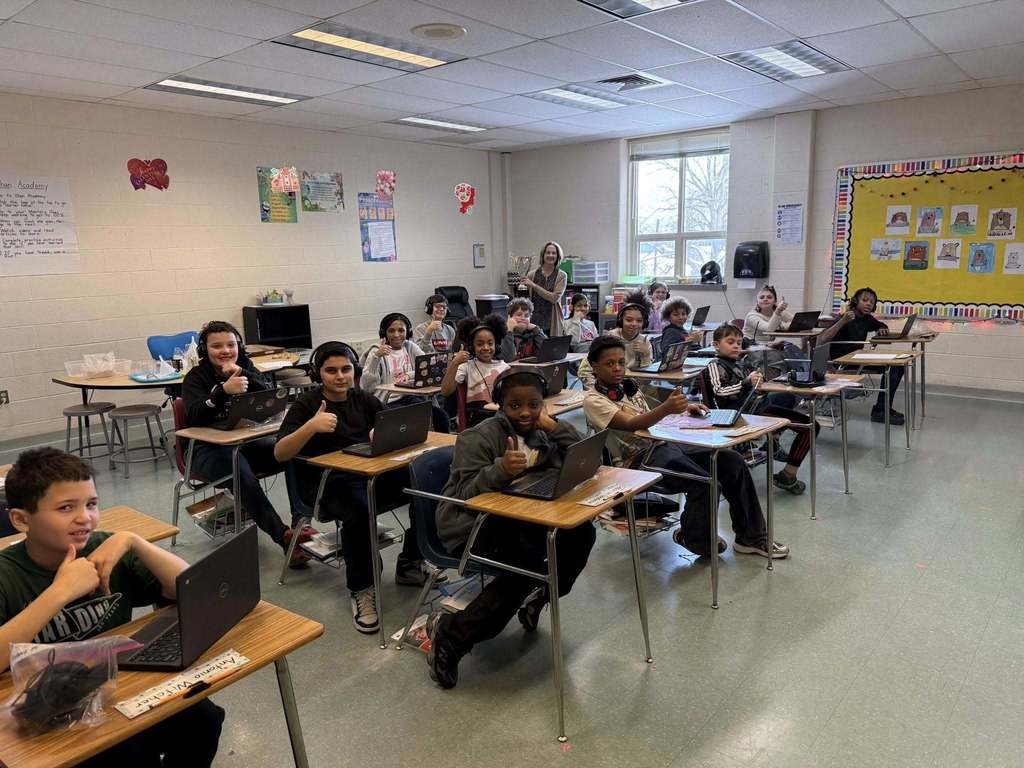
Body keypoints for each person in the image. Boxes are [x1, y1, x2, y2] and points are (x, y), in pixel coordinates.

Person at [0, 448, 224, 766]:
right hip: (44, 710)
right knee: (130, 756)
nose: (85, 517)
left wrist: (134, 541)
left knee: (203, 720)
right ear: (22, 519)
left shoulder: (105, 549)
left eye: (91, 504)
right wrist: (59, 592)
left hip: (116, 689)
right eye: (66, 508)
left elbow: (193, 590)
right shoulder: (7, 574)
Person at [426, 369, 595, 689]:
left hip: (521, 516)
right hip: (470, 524)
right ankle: (452, 636)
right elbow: (463, 497)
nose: (526, 412)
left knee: (581, 534)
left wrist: (556, 427)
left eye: (534, 404)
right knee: (526, 568)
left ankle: (539, 598)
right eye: (515, 406)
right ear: (500, 405)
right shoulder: (478, 437)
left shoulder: (540, 430)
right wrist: (499, 470)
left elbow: (583, 456)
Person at [275, 342, 447, 634]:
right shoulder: (307, 405)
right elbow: (280, 453)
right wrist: (311, 427)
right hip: (329, 483)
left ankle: (410, 563)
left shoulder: (363, 398)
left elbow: (387, 425)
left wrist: (380, 432)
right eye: (331, 371)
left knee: (425, 488)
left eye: (345, 369)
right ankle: (361, 588)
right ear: (319, 373)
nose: (340, 376)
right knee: (359, 510)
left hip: (370, 474)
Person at [582, 336, 788, 559]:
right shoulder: (593, 400)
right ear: (595, 367)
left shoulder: (627, 387)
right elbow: (632, 424)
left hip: (661, 445)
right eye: (609, 363)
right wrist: (667, 409)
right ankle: (693, 537)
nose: (617, 368)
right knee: (705, 483)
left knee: (731, 461)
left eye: (621, 362)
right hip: (638, 462)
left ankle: (751, 538)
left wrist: (683, 408)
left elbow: (649, 411)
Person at [182, 320, 311, 568]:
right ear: (204, 350)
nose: (225, 351)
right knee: (240, 470)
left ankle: (301, 522)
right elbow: (193, 416)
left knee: (292, 450)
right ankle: (283, 536)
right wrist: (222, 391)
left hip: (245, 442)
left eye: (231, 345)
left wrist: (244, 375)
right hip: (206, 449)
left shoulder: (245, 367)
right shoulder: (195, 377)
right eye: (217, 346)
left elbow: (271, 397)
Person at [706, 324, 819, 495]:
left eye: (738, 342)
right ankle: (788, 475)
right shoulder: (715, 364)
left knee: (787, 397)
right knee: (810, 426)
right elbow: (720, 392)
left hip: (756, 405)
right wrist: (747, 383)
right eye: (730, 342)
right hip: (744, 413)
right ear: (716, 345)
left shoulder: (739, 363)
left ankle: (772, 441)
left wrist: (759, 381)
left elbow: (750, 387)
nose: (736, 346)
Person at [818, 287, 903, 425]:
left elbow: (879, 324)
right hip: (841, 362)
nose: (869, 304)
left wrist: (881, 327)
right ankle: (880, 411)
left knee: (898, 366)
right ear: (855, 301)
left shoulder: (867, 319)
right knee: (893, 368)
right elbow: (822, 339)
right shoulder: (846, 316)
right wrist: (842, 321)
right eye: (865, 300)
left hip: (857, 358)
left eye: (872, 301)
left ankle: (882, 408)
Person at [360, 312, 449, 433]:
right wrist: (376, 358)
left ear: (408, 332)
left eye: (401, 330)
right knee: (412, 419)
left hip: (412, 398)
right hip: (389, 401)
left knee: (440, 417)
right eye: (391, 331)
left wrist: (409, 375)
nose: (396, 335)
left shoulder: (410, 346)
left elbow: (426, 367)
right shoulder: (376, 351)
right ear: (384, 333)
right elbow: (368, 387)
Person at [439, 315, 510, 429]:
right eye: (480, 344)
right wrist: (455, 364)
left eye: (490, 343)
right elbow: (446, 391)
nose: (486, 347)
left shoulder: (505, 367)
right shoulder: (467, 367)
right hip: (479, 420)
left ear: (496, 345)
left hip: (503, 416)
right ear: (472, 347)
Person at [576, 291, 654, 388]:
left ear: (645, 323)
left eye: (639, 321)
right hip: (606, 391)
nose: (634, 324)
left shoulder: (645, 342)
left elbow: (646, 382)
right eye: (629, 320)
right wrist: (598, 390)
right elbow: (584, 370)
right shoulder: (609, 339)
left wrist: (646, 355)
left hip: (631, 392)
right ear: (620, 320)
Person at [519, 241, 567, 336]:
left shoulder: (562, 276)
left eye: (554, 253)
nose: (550, 255)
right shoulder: (531, 275)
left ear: (558, 256)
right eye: (548, 252)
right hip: (533, 322)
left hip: (552, 323)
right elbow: (526, 299)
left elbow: (554, 298)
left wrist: (534, 286)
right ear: (543, 255)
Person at [500, 297, 548, 361]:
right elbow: (507, 358)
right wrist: (509, 330)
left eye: (526, 316)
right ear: (509, 316)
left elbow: (546, 353)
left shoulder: (533, 331)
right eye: (519, 315)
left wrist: (537, 330)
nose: (523, 318)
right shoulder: (503, 333)